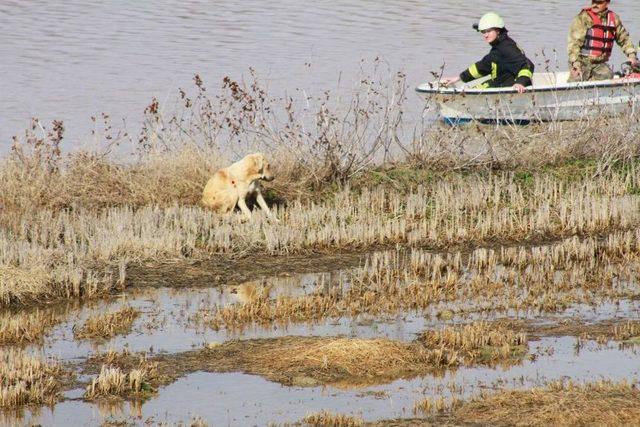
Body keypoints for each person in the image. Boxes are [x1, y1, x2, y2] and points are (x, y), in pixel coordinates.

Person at [441, 12, 534, 93]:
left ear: (497, 30)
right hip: (500, 83)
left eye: (489, 31)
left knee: (472, 92)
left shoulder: (506, 47)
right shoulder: (498, 47)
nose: (485, 35)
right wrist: (458, 78)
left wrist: (521, 83)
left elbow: (527, 65)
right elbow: (482, 66)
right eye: (483, 32)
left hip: (508, 86)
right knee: (474, 89)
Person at [568, 0, 638, 82]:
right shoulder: (583, 18)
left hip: (599, 63)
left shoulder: (613, 19)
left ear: (607, 2)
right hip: (581, 61)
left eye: (599, 2)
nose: (595, 5)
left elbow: (624, 40)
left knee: (607, 75)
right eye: (593, 2)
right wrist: (575, 63)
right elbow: (574, 44)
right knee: (576, 80)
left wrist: (632, 56)